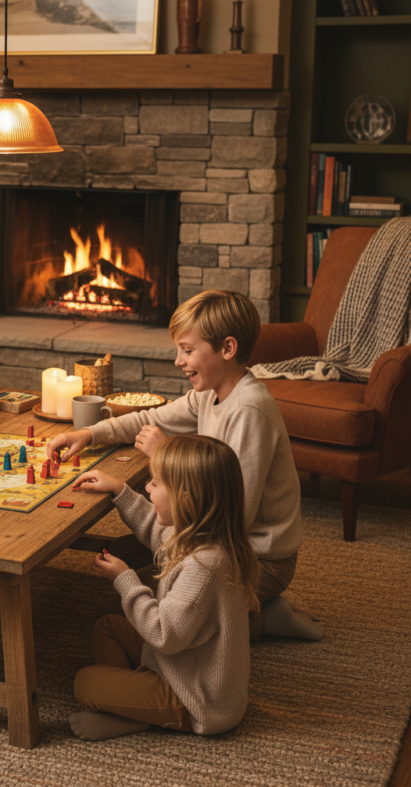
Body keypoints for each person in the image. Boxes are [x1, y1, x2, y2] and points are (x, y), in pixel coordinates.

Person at [47, 290, 323, 641]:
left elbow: (232, 516)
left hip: (254, 556)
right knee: (121, 552)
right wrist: (89, 433)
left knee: (148, 596)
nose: (178, 360)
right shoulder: (209, 392)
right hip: (213, 539)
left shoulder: (250, 412)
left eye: (188, 350)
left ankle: (260, 618)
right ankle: (252, 607)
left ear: (227, 349)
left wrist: (167, 456)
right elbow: (150, 417)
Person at [69, 435, 259, 741]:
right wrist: (120, 490)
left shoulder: (205, 566)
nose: (147, 488)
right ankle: (134, 705)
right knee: (109, 627)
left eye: (155, 483)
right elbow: (157, 530)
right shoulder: (199, 536)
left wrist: (125, 579)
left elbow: (163, 635)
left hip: (195, 699)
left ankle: (140, 714)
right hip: (177, 665)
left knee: (84, 683)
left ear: (185, 496)